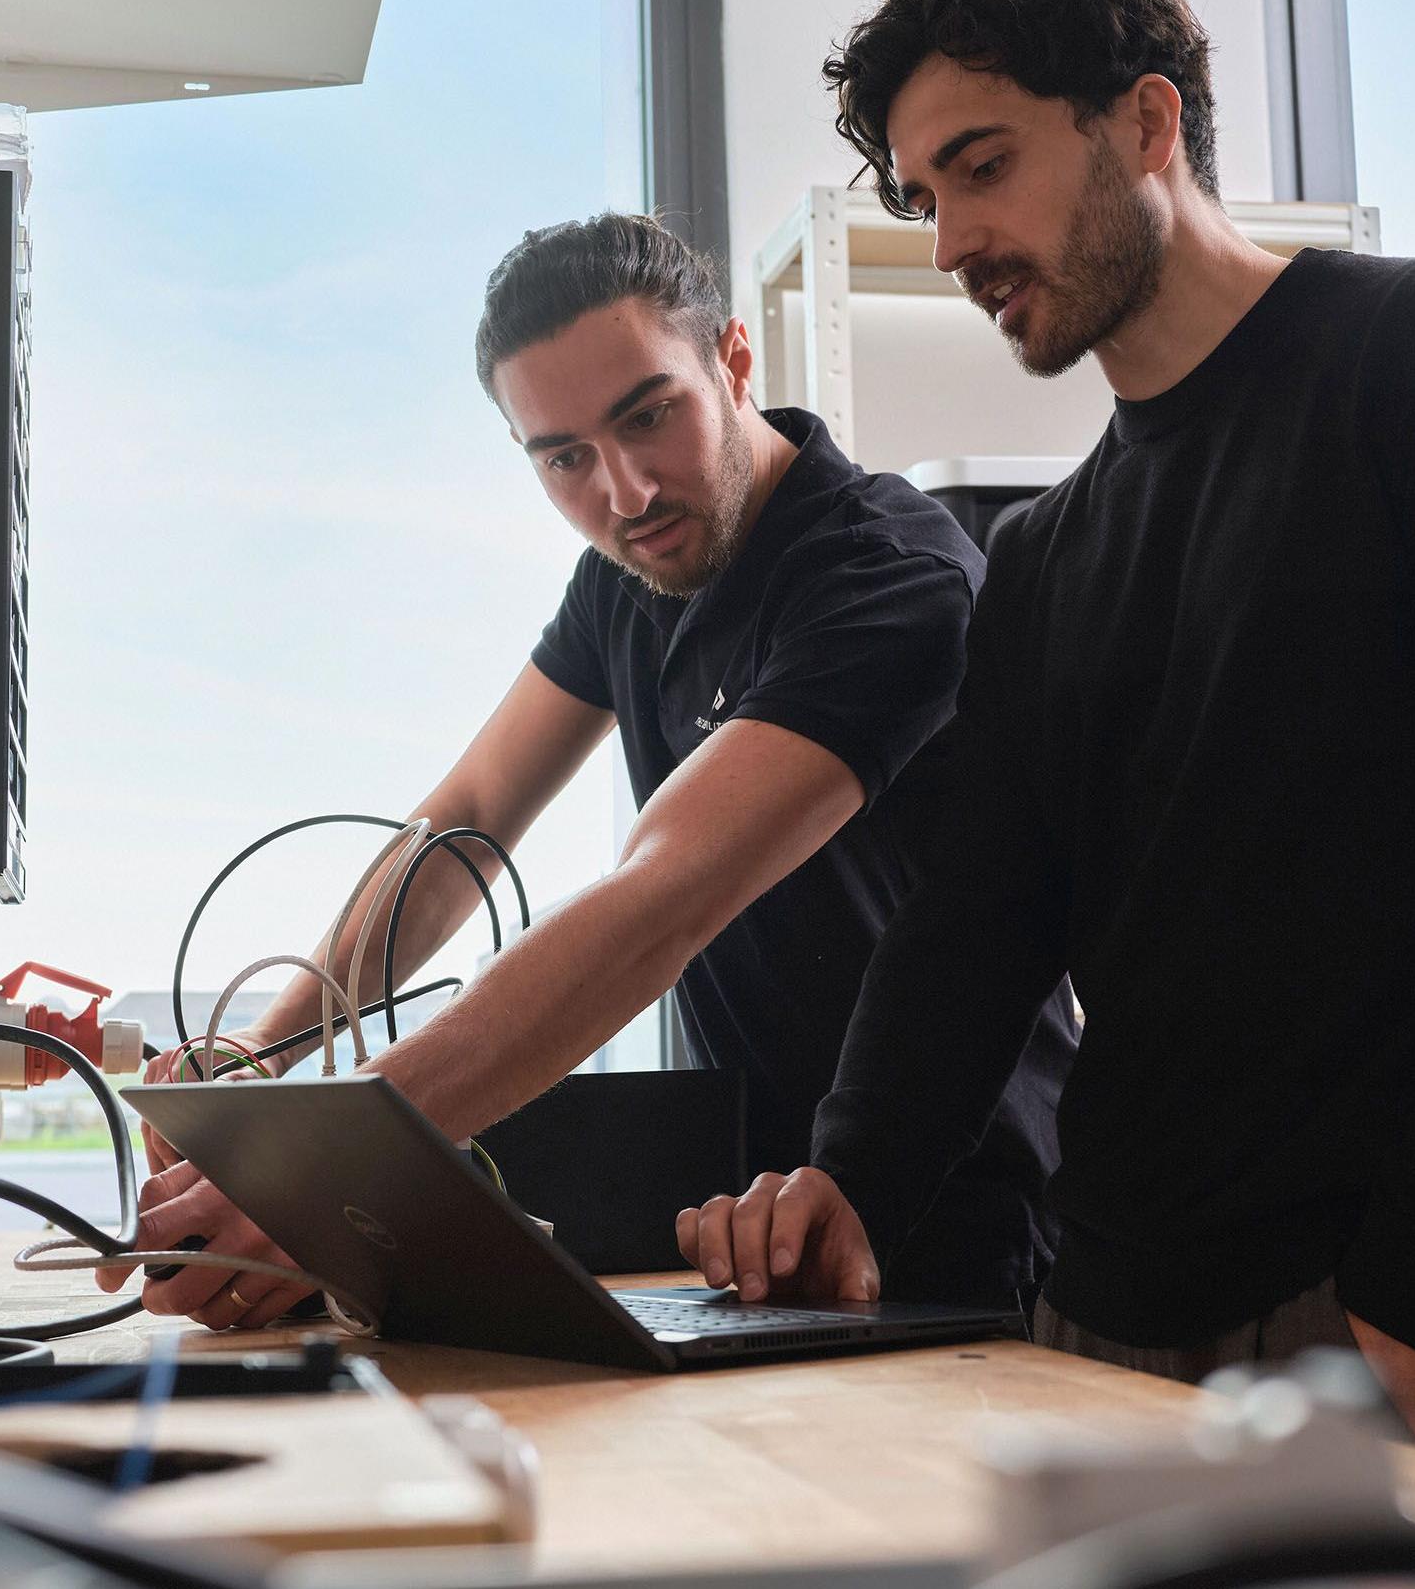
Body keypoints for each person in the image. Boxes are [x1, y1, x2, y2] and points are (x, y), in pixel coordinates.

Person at [685, 0, 1415, 1488]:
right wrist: (848, 1179)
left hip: (1410, 1307)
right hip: (1112, 1316)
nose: (952, 242)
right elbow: (976, 932)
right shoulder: (1047, 554)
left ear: (1147, 124)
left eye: (982, 166)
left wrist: (1414, 1303)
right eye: (924, 197)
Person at [119, 212, 1076, 1329]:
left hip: (961, 1221)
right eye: (564, 458)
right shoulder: (627, 580)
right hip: (770, 1226)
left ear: (730, 360)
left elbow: (657, 902)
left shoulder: (889, 578)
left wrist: (330, 1165)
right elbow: (467, 818)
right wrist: (272, 1048)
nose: (622, 494)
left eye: (647, 416)